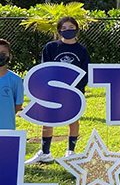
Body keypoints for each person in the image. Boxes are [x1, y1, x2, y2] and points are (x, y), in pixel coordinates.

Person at [26, 17, 91, 164]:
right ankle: (45, 152)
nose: (68, 30)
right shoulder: (51, 47)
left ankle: (71, 151)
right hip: (53, 91)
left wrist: (75, 89)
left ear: (77, 29)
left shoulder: (82, 50)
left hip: (73, 92)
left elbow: (86, 72)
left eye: (71, 27)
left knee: (73, 120)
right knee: (47, 119)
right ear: (59, 30)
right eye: (65, 28)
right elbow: (45, 69)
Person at [0, 39, 23, 130]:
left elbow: (18, 104)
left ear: (10, 57)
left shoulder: (15, 79)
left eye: (4, 53)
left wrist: (6, 114)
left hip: (7, 126)